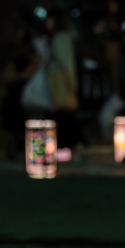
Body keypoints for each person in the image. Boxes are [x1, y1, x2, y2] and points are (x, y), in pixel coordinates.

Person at [46, 10, 79, 154]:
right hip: (64, 80)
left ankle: (66, 146)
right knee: (64, 113)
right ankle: (68, 145)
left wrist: (70, 81)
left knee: (63, 113)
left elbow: (65, 62)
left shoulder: (60, 38)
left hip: (62, 81)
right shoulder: (62, 37)